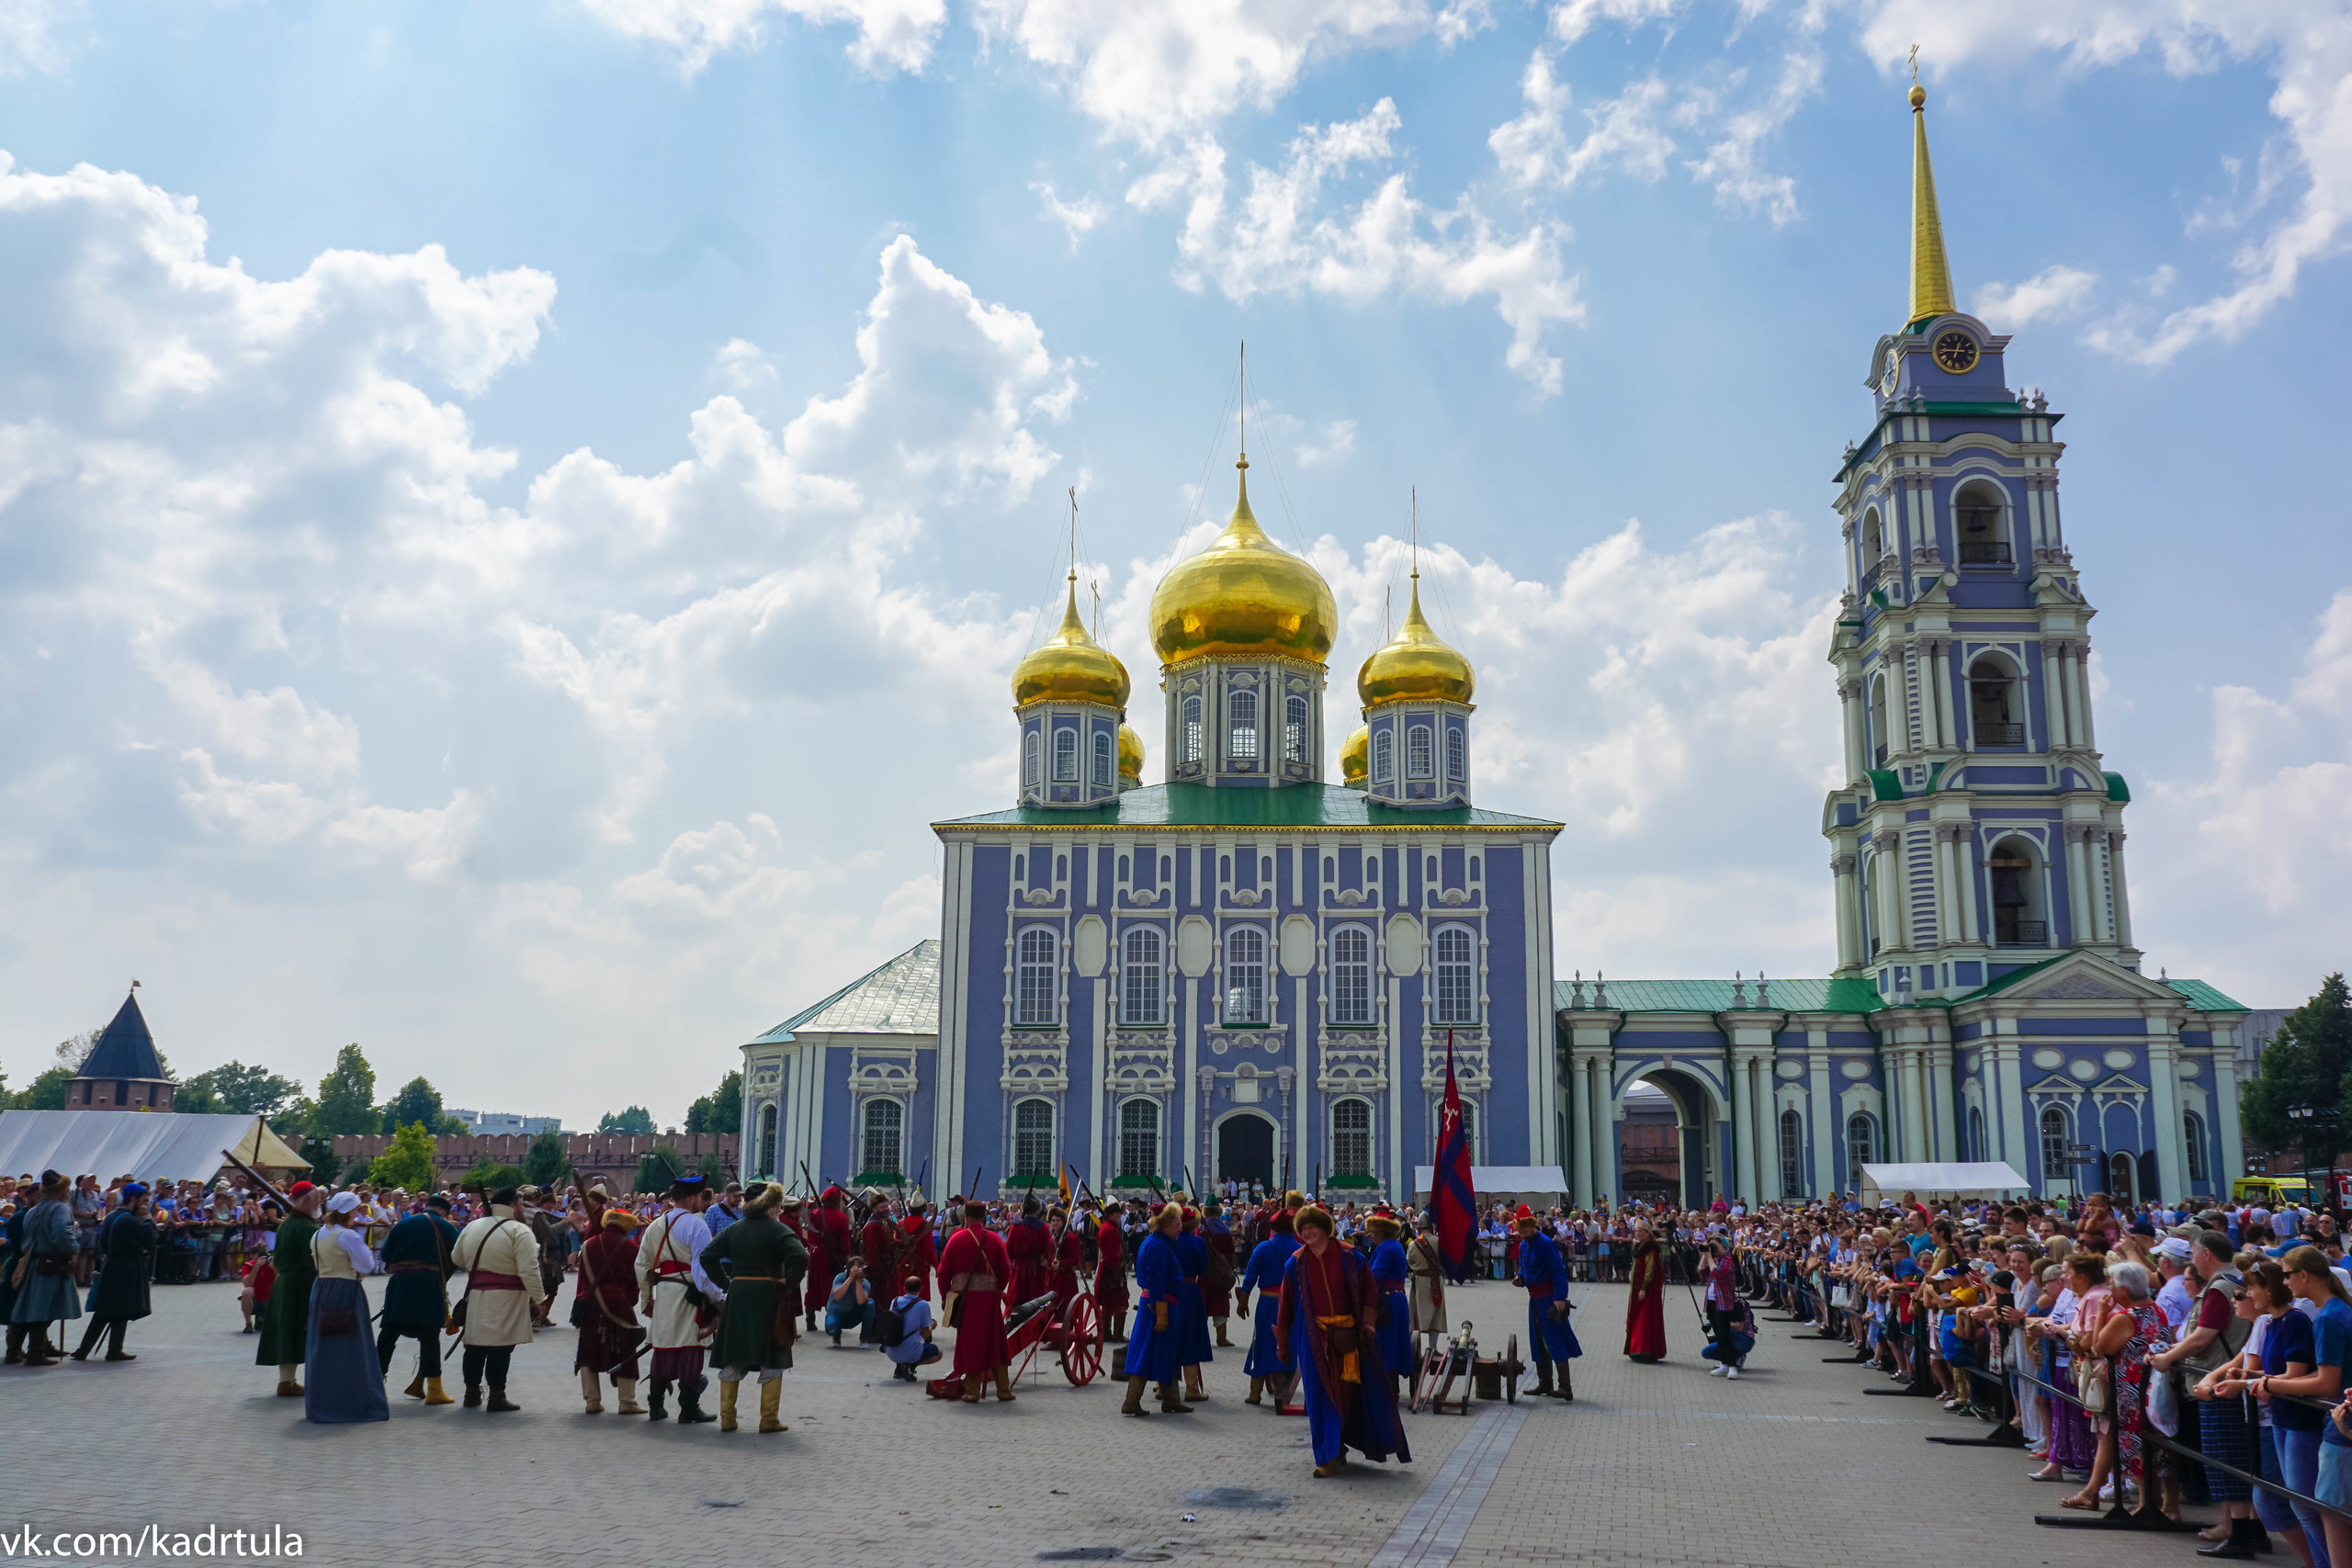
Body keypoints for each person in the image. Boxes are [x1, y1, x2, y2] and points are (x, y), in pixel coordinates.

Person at [1276, 1203, 1410, 1479]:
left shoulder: (1352, 1258)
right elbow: (1286, 1305)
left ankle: (1338, 1446)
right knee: (1318, 1395)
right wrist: (1281, 1344)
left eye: (1312, 1226)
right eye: (1303, 1228)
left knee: (1348, 1396)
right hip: (1312, 1339)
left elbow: (1369, 1292)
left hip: (1348, 1339)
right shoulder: (1296, 1262)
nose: (1307, 1231)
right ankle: (1326, 1456)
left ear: (1325, 1229)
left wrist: (1369, 1324)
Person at [698, 1180, 809, 1434]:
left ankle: (728, 1419)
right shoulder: (778, 1231)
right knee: (772, 1353)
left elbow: (707, 1256)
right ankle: (768, 1420)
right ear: (769, 1205)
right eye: (778, 1205)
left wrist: (727, 1283)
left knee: (734, 1354)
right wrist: (789, 1283)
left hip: (738, 1296)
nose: (781, 1209)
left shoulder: (734, 1229)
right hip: (768, 1296)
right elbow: (801, 1257)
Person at [452, 1184, 546, 1413]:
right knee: (500, 1348)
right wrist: (540, 1300)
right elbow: (529, 1270)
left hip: (476, 1295)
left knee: (474, 1345)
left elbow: (456, 1258)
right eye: (522, 1204)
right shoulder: (520, 1231)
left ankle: (471, 1393)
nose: (523, 1208)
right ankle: (496, 1396)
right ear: (513, 1205)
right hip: (508, 1298)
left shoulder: (473, 1226)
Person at [637, 1175, 720, 1425]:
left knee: (662, 1346)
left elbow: (641, 1267)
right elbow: (701, 1272)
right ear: (693, 1197)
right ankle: (689, 1409)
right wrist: (718, 1298)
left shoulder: (655, 1225)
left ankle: (656, 1407)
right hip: (689, 1295)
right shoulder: (697, 1225)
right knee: (690, 1347)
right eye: (700, 1196)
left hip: (664, 1293)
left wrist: (646, 1300)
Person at [303, 1191, 389, 1424]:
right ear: (345, 1212)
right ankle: (350, 1404)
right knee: (350, 1345)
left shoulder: (318, 1234)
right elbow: (366, 1265)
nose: (356, 1213)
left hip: (320, 1289)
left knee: (324, 1346)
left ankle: (323, 1401)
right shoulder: (347, 1236)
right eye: (353, 1210)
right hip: (344, 1290)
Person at [376, 1193, 459, 1406]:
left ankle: (375, 1387)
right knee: (430, 1336)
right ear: (444, 1212)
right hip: (429, 1285)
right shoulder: (447, 1227)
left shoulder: (403, 1224)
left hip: (400, 1284)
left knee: (389, 1334)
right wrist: (442, 1278)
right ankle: (434, 1390)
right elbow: (457, 1259)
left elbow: (386, 1256)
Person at [939, 1199, 1016, 1404]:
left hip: (965, 1301)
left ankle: (972, 1390)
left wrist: (945, 1297)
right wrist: (997, 1288)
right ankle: (1003, 1389)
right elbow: (1006, 1271)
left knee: (970, 1343)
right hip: (990, 1301)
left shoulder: (956, 1240)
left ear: (965, 1217)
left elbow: (943, 1272)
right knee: (996, 1342)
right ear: (984, 1217)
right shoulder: (994, 1240)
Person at [574, 1200, 647, 1416]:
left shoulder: (588, 1245)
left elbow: (582, 1280)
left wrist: (582, 1300)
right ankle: (627, 1401)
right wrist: (630, 1301)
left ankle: (592, 1401)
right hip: (619, 1305)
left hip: (591, 1303)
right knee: (624, 1351)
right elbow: (635, 1282)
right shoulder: (631, 1247)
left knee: (588, 1351)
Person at [72, 1180, 157, 1362]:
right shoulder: (129, 1219)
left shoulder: (113, 1216)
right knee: (109, 1310)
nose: (146, 1204)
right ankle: (86, 1350)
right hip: (125, 1268)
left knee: (119, 1309)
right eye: (144, 1200)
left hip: (114, 1265)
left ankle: (110, 1350)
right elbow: (149, 1238)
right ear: (134, 1198)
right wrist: (148, 1218)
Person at [255, 1181, 322, 1397]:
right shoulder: (308, 1228)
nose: (319, 1201)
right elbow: (312, 1262)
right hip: (299, 1284)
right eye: (315, 1198)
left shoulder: (286, 1224)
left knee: (287, 1331)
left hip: (283, 1282)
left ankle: (287, 1381)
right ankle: (289, 1382)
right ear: (306, 1201)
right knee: (294, 1330)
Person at [1122, 1202, 1189, 1416]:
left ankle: (1171, 1399)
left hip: (1156, 1304)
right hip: (1158, 1306)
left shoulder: (1156, 1242)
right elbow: (1158, 1282)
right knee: (1146, 1353)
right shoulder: (1159, 1246)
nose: (1180, 1228)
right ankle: (1131, 1401)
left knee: (1166, 1352)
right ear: (1166, 1225)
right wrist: (1161, 1314)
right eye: (1177, 1224)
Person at [1513, 1205, 1581, 1398]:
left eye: (1525, 1231)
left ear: (1533, 1227)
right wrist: (1520, 1278)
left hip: (1549, 1299)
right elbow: (1525, 1269)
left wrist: (1560, 1297)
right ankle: (1545, 1383)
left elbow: (1558, 1271)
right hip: (1534, 1300)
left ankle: (1565, 1387)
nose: (1523, 1235)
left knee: (1555, 1339)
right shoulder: (1523, 1245)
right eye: (1520, 1231)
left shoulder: (1545, 1244)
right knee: (1538, 1341)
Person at [1238, 1206, 1298, 1406]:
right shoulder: (1300, 1250)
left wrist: (1242, 1303)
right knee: (1286, 1345)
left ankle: (1255, 1393)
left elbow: (1250, 1278)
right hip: (1291, 1305)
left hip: (1267, 1302)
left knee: (1261, 1344)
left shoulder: (1263, 1248)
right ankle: (1282, 1392)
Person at [1364, 1207, 1414, 1398]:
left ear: (1381, 1231)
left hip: (1386, 1301)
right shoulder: (1395, 1246)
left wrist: (1365, 1298)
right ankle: (1390, 1386)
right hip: (1397, 1298)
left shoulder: (1385, 1248)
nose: (1371, 1236)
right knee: (1393, 1342)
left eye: (1373, 1232)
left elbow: (1375, 1276)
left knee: (1385, 1343)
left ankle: (1386, 1388)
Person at [1176, 1205, 1215, 1403]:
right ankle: (1192, 1387)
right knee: (1190, 1337)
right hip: (1191, 1291)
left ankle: (1163, 1385)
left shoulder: (1168, 1241)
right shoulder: (1197, 1242)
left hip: (1171, 1292)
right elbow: (1203, 1267)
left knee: (1171, 1337)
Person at [883, 1272, 943, 1382]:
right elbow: (926, 1334)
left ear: (904, 1288)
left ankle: (900, 1366)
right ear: (921, 1288)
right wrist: (932, 1327)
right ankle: (911, 1364)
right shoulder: (923, 1305)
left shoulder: (895, 1301)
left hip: (890, 1349)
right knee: (938, 1352)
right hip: (910, 1351)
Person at [1624, 1221, 1668, 1362]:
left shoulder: (1650, 1249)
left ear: (1648, 1234)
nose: (1638, 1234)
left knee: (1645, 1318)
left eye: (1641, 1232)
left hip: (1646, 1291)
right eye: (1636, 1231)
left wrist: (1643, 1288)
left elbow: (1649, 1271)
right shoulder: (1640, 1247)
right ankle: (1636, 1348)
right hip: (1636, 1289)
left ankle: (1645, 1349)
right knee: (1637, 1318)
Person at [1406, 1214, 1448, 1359]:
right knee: (1436, 1314)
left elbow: (1410, 1262)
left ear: (1419, 1229)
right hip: (1436, 1280)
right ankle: (1433, 1347)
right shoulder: (1439, 1242)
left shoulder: (1413, 1244)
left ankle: (1413, 1347)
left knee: (1415, 1314)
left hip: (1419, 1281)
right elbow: (1444, 1261)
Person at [1702, 1236, 1744, 1380]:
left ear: (1722, 1245)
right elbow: (1701, 1271)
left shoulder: (1728, 1260)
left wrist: (1709, 1257)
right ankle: (1724, 1363)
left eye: (1714, 1245)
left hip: (1724, 1302)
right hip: (1712, 1300)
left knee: (1725, 1334)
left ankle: (1733, 1366)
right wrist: (1705, 1255)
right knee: (1718, 1334)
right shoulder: (1714, 1259)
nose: (1712, 1248)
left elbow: (1717, 1274)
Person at [1007, 1194, 1052, 1312]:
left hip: (1019, 1269)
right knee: (1037, 1299)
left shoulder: (1016, 1227)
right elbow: (1048, 1250)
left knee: (1018, 1299)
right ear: (1038, 1209)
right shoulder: (1043, 1228)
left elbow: (1008, 1251)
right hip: (1037, 1270)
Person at [1204, 1198, 1238, 1348]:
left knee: (1203, 1303)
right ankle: (1221, 1337)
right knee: (1220, 1303)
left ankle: (1200, 1337)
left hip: (1204, 1272)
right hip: (1220, 1271)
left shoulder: (1201, 1228)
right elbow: (1230, 1250)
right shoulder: (1224, 1229)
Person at [1093, 1204, 1129, 1346]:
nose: (1118, 1215)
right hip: (1112, 1270)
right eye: (1115, 1213)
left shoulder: (1108, 1228)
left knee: (1108, 1304)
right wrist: (1117, 1270)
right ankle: (1116, 1334)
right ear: (1108, 1215)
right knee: (1121, 1303)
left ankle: (1106, 1333)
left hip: (1107, 1268)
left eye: (1118, 1213)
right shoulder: (1110, 1230)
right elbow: (1113, 1254)